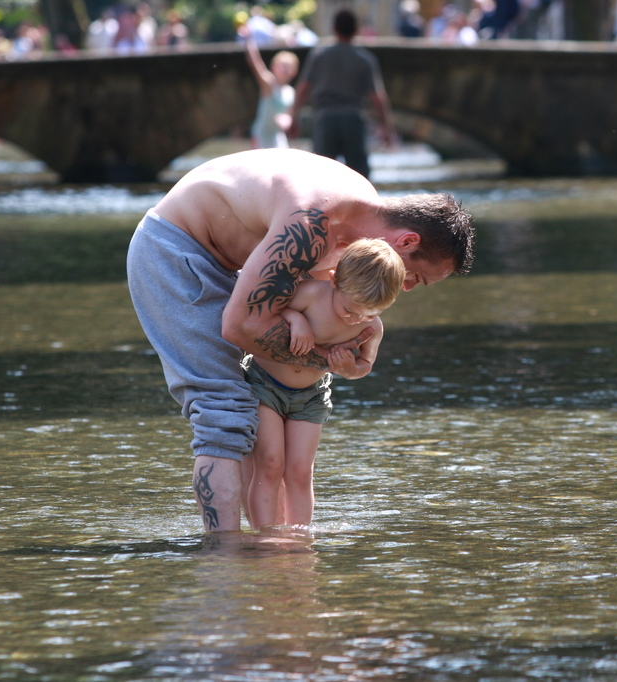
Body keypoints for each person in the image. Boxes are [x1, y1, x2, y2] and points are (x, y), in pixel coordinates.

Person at [125, 148, 475, 533]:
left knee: (250, 417)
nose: (405, 287)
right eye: (415, 277)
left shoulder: (358, 215)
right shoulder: (316, 222)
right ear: (407, 242)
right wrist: (334, 360)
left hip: (228, 264)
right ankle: (224, 555)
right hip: (176, 251)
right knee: (223, 407)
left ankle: (268, 546)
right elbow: (240, 327)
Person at [245, 239, 405, 529]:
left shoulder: (372, 327)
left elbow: (365, 365)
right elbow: (268, 313)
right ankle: (264, 535)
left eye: (371, 313)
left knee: (300, 471)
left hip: (311, 397)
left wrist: (350, 369)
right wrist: (297, 320)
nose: (357, 318)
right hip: (265, 385)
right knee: (270, 464)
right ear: (333, 280)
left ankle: (300, 537)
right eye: (350, 309)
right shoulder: (310, 295)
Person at [291, 9, 397, 179]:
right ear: (356, 30)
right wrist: (386, 128)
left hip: (325, 119)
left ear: (334, 28)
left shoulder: (319, 55)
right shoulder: (365, 59)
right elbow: (378, 97)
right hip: (353, 120)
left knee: (321, 176)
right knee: (360, 177)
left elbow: (303, 89)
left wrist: (293, 117)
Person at [244, 33, 299, 149]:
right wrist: (248, 38)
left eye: (287, 66)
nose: (284, 69)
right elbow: (255, 62)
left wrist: (287, 120)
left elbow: (289, 115)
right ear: (273, 67)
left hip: (277, 137)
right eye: (281, 65)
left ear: (294, 71)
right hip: (261, 137)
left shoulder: (290, 92)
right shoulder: (269, 85)